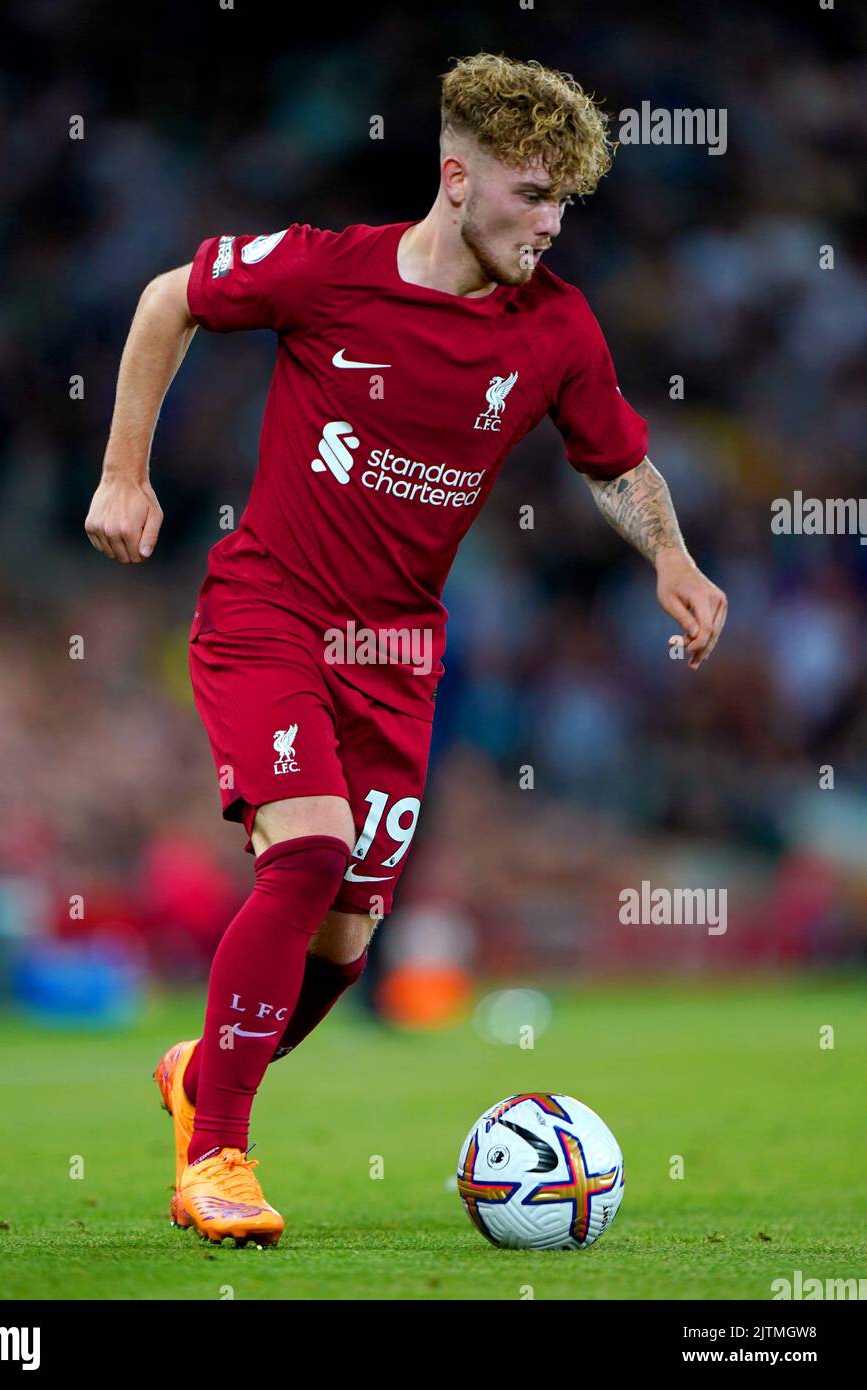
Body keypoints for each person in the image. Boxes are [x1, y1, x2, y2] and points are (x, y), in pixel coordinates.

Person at [85, 52, 727, 1246]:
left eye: (566, 204)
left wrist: (670, 556)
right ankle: (216, 1151)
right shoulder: (329, 272)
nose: (550, 225)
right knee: (311, 849)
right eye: (532, 196)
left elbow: (616, 459)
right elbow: (168, 297)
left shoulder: (558, 329)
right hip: (269, 610)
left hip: (398, 650)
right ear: (456, 178)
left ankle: (200, 1075)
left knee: (348, 936)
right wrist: (126, 475)